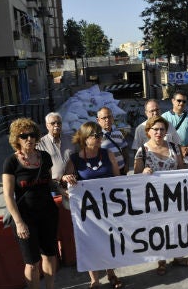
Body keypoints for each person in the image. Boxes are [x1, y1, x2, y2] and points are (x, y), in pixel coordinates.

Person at [62, 121, 123, 289]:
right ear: (84, 137)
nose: (98, 138)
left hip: (108, 207)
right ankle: (94, 279)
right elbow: (63, 182)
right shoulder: (74, 159)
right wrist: (66, 178)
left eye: (100, 135)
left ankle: (111, 273)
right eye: (94, 135)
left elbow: (119, 179)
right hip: (87, 212)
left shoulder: (108, 154)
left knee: (109, 240)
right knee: (90, 243)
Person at [133, 116, 188, 275]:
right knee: (159, 230)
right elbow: (135, 176)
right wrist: (143, 173)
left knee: (177, 227)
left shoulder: (174, 147)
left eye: (162, 129)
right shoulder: (143, 151)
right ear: (148, 131)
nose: (159, 132)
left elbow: (181, 169)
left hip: (175, 197)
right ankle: (161, 261)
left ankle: (178, 257)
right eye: (155, 129)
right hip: (155, 200)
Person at [2, 118, 58, 289]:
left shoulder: (45, 157)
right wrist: (18, 222)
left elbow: (49, 181)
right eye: (24, 136)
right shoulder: (11, 162)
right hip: (25, 217)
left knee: (49, 255)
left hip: (48, 213)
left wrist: (62, 189)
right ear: (16, 139)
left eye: (32, 135)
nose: (29, 139)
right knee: (32, 262)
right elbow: (8, 195)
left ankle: (50, 287)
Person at [36, 112, 74, 197]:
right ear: (47, 125)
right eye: (53, 123)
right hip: (54, 187)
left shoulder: (71, 140)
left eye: (59, 123)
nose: (56, 125)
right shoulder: (40, 144)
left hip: (73, 183)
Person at [161, 91, 188, 167]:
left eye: (184, 101)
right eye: (179, 100)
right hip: (171, 152)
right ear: (173, 101)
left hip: (187, 151)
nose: (181, 103)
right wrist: (179, 148)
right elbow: (161, 136)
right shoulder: (164, 117)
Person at [97, 107, 130, 175]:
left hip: (121, 170)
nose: (107, 120)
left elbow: (125, 149)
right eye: (104, 118)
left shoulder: (118, 133)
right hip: (106, 173)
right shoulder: (96, 136)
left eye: (109, 117)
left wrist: (126, 165)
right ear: (98, 120)